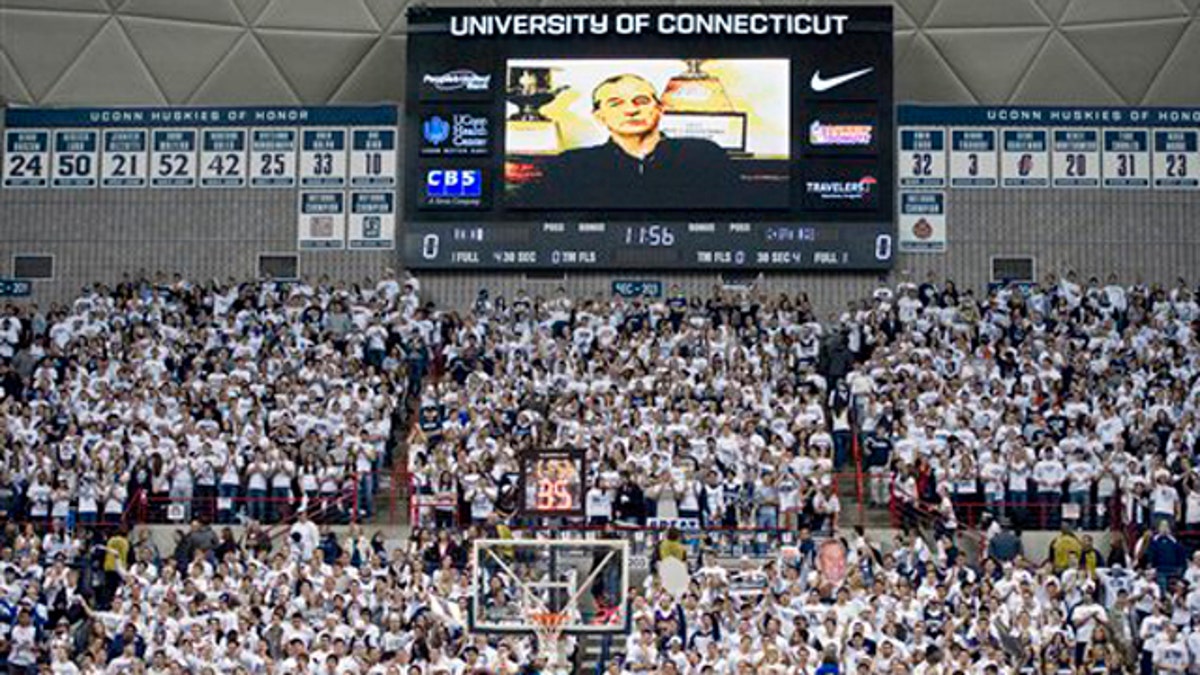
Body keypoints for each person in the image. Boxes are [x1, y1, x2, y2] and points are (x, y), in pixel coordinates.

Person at [516, 73, 743, 209]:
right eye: (615, 103)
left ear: (660, 109)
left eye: (641, 101)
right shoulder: (570, 166)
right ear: (599, 116)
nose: (631, 111)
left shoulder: (705, 155)